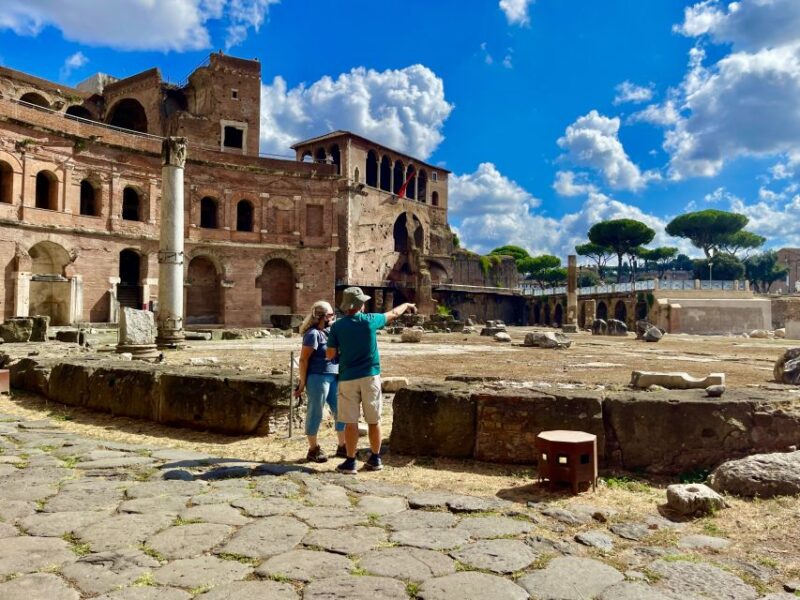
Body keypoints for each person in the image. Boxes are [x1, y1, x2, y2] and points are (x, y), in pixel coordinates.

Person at [326, 286, 417, 474]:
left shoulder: (337, 326)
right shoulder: (370, 320)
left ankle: (350, 461)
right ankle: (375, 458)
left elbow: (330, 355)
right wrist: (407, 305)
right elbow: (393, 313)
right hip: (370, 376)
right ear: (360, 304)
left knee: (350, 422)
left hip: (347, 377)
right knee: (374, 420)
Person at [295, 300, 346, 463]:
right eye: (331, 314)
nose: (334, 317)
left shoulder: (330, 332)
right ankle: (313, 449)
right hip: (317, 376)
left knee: (341, 410)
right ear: (323, 317)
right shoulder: (312, 334)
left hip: (334, 376)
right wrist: (302, 383)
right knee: (315, 411)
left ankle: (343, 445)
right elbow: (303, 360)